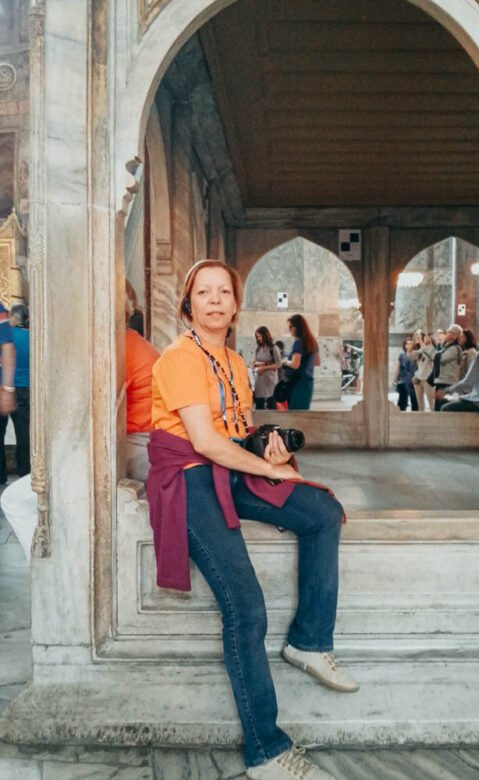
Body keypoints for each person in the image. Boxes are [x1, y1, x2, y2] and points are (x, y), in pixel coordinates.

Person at [146, 260, 357, 780]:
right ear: (188, 303)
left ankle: (309, 642)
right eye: (204, 292)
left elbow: (236, 432)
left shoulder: (236, 364)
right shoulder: (179, 358)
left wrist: (268, 445)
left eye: (224, 292)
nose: (215, 300)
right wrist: (265, 468)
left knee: (323, 511)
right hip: (190, 479)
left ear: (236, 304)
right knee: (247, 607)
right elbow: (203, 440)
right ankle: (265, 750)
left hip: (228, 466)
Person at [0, 304, 28, 484]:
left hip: (5, 388)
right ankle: (25, 475)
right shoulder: (31, 337)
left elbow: (7, 354)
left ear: (14, 318)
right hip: (25, 391)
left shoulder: (10, 336)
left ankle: (1, 476)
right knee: (24, 436)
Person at [282, 314, 321, 410]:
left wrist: (285, 362)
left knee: (295, 414)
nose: (289, 329)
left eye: (290, 327)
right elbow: (317, 362)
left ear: (297, 328)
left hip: (297, 384)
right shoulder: (312, 341)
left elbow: (295, 365)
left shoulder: (298, 342)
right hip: (308, 383)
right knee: (303, 413)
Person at [433, 324, 463, 411]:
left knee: (443, 407)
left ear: (455, 335)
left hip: (448, 382)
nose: (447, 334)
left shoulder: (454, 348)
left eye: (449, 332)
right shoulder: (446, 347)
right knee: (438, 407)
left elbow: (441, 359)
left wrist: (432, 350)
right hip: (442, 381)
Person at [252, 326, 281, 410]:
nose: (259, 339)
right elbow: (257, 361)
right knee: (259, 403)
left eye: (260, 336)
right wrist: (254, 364)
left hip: (270, 380)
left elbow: (278, 364)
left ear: (265, 336)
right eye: (257, 337)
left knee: (271, 402)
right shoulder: (258, 348)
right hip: (260, 379)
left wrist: (264, 368)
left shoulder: (274, 348)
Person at [412, 332, 436, 412]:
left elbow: (429, 355)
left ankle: (435, 420)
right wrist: (414, 342)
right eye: (424, 337)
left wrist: (421, 343)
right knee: (420, 405)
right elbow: (411, 356)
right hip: (418, 378)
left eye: (426, 337)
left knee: (431, 403)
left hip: (428, 379)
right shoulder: (421, 350)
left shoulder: (432, 349)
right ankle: (421, 421)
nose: (424, 339)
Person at [393, 338, 419, 412]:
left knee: (414, 399)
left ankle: (415, 415)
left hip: (413, 378)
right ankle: (401, 413)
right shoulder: (401, 355)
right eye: (407, 344)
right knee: (402, 399)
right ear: (404, 345)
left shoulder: (416, 354)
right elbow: (397, 367)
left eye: (410, 343)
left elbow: (418, 366)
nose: (408, 345)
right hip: (403, 379)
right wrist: (395, 378)